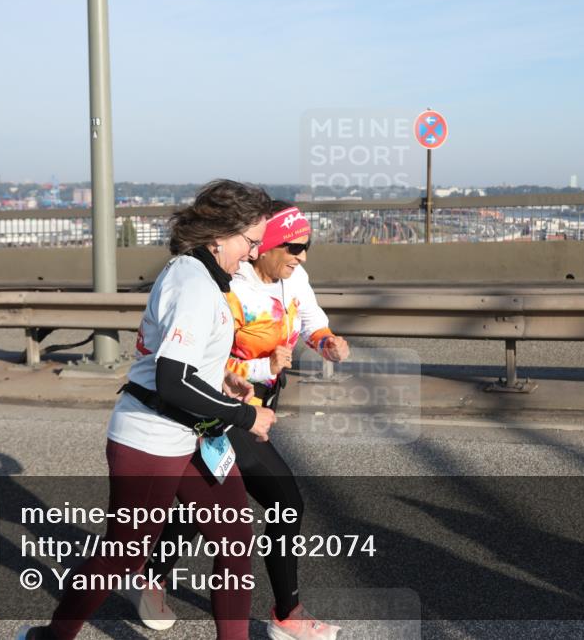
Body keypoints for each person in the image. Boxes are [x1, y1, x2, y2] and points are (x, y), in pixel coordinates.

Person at [18, 180, 277, 640]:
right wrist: (245, 416)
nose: (255, 254)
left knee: (235, 541)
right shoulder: (194, 283)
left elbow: (182, 364)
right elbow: (171, 380)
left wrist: (221, 379)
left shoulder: (201, 275)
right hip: (151, 439)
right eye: (251, 242)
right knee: (121, 555)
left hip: (194, 435)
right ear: (220, 234)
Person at [137, 202, 350, 640]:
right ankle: (287, 615)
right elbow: (202, 365)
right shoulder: (228, 284)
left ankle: (149, 574)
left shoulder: (295, 278)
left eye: (306, 247)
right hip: (221, 408)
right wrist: (258, 369)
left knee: (207, 505)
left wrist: (327, 342)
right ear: (265, 246)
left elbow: (311, 322)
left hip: (257, 409)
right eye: (293, 247)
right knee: (284, 501)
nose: (302, 256)